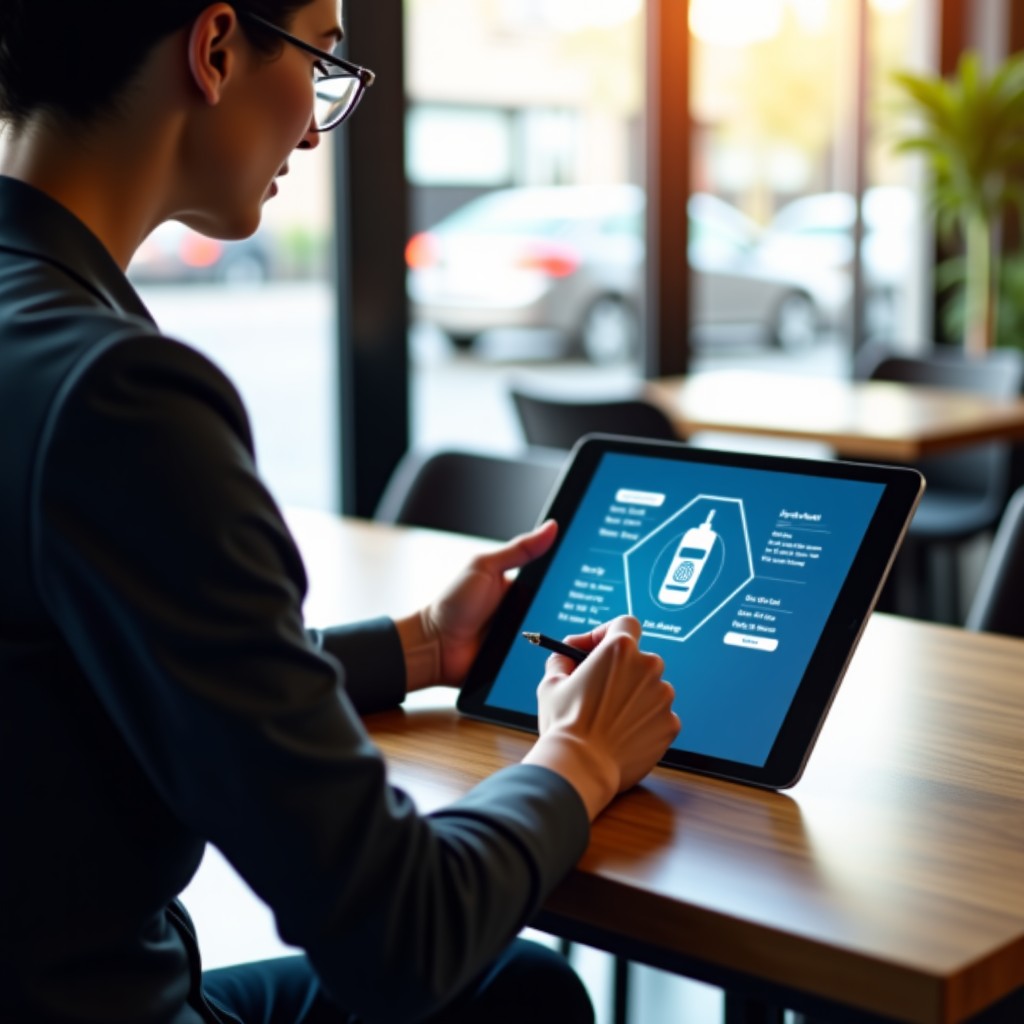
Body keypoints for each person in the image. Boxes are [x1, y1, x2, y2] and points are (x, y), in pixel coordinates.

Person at [0, 2, 681, 1022]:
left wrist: (416, 648)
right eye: (321, 56)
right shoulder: (117, 395)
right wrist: (578, 757)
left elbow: (87, 664)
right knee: (517, 994)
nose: (316, 128)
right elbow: (401, 933)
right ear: (216, 47)